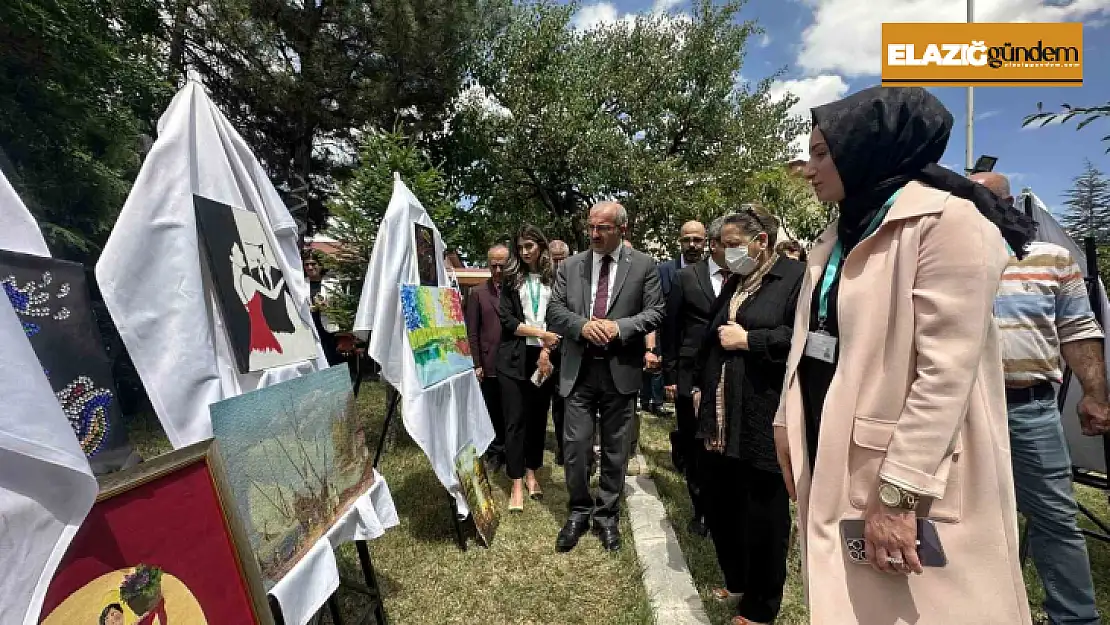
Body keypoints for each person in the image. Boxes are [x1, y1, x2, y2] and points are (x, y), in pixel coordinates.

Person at [773, 86, 1037, 624]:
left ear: (867, 147)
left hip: (909, 471)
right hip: (838, 446)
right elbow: (816, 339)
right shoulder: (839, 232)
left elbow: (946, 373)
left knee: (930, 609)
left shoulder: (949, 224)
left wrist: (899, 496)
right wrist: (787, 420)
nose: (809, 168)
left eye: (823, 152)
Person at [973, 171, 1110, 625]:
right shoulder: (948, 258)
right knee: (967, 517)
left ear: (1009, 204)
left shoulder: (1051, 258)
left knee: (1055, 518)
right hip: (964, 411)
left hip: (1029, 408)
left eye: (986, 200)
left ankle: (1074, 617)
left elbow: (1079, 330)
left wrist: (1095, 394)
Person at [691, 207, 803, 625]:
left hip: (761, 410)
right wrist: (700, 386)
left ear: (762, 242)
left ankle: (760, 605)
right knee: (721, 502)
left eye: (736, 245)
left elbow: (801, 338)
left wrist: (750, 341)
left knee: (763, 513)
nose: (728, 252)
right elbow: (712, 336)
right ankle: (736, 578)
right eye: (725, 244)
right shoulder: (737, 282)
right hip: (720, 415)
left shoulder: (794, 279)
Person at [548, 201, 665, 552]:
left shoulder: (644, 265)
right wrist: (582, 326)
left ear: (622, 229)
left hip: (621, 371)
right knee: (577, 447)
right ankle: (579, 510)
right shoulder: (570, 266)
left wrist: (619, 327)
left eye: (603, 228)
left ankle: (607, 515)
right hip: (579, 372)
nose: (595, 234)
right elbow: (554, 311)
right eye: (591, 227)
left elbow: (656, 311)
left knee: (616, 449)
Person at [662, 219, 726, 538]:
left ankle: (725, 506)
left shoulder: (741, 276)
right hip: (691, 375)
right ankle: (701, 509)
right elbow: (670, 329)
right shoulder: (684, 278)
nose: (693, 245)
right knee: (694, 442)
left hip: (729, 372)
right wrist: (671, 376)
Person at [497, 225, 559, 511]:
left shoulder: (555, 279)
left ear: (541, 247)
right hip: (513, 358)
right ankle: (516, 481)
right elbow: (507, 320)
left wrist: (546, 349)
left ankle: (532, 472)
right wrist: (538, 333)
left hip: (543, 357)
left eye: (529, 247)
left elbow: (557, 317)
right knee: (514, 421)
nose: (524, 252)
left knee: (537, 418)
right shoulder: (511, 280)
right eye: (520, 247)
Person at [466, 244, 510, 473]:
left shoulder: (515, 290)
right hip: (489, 363)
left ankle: (512, 453)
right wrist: (476, 363)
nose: (498, 270)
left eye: (502, 265)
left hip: (512, 363)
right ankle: (495, 452)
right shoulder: (477, 294)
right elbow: (472, 332)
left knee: (511, 411)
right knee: (492, 411)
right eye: (493, 265)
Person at [549, 239, 571, 465]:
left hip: (567, 351)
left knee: (565, 402)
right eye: (554, 259)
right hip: (545, 348)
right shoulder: (544, 280)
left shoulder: (575, 280)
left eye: (560, 259)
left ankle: (566, 449)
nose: (557, 263)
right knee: (555, 403)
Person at [304, 251, 340, 365]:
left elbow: (341, 305)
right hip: (309, 328)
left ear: (321, 265)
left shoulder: (333, 283)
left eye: (313, 264)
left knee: (331, 360)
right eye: (307, 264)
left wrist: (328, 306)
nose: (310, 267)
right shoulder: (300, 283)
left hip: (329, 329)